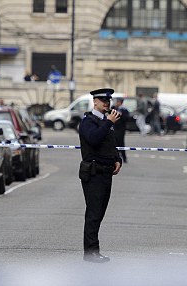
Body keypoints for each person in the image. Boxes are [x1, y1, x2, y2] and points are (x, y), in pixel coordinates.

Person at [78, 88, 122, 263]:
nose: (107, 104)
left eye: (108, 101)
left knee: (99, 214)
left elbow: (111, 144)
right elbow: (94, 139)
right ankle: (91, 253)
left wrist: (117, 159)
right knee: (93, 214)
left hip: (106, 174)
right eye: (103, 101)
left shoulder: (105, 122)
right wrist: (108, 123)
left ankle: (93, 251)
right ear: (95, 102)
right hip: (94, 173)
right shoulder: (89, 122)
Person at [111, 97, 129, 163]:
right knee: (114, 143)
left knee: (121, 143)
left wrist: (121, 115)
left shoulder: (124, 110)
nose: (116, 103)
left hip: (121, 128)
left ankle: (124, 158)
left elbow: (127, 118)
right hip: (115, 128)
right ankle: (116, 157)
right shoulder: (114, 108)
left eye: (117, 102)